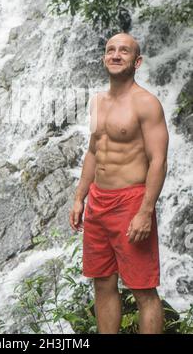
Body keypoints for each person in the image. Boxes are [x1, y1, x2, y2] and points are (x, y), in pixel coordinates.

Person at [69, 32, 169, 334]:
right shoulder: (97, 102)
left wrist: (144, 211)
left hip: (130, 202)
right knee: (103, 282)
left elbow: (158, 161)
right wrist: (79, 197)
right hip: (98, 201)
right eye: (110, 50)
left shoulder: (147, 104)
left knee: (143, 290)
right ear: (104, 58)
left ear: (136, 61)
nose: (115, 55)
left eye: (124, 51)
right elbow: (93, 150)